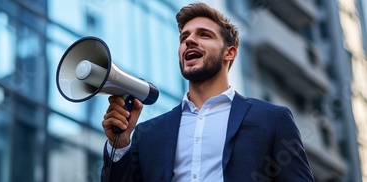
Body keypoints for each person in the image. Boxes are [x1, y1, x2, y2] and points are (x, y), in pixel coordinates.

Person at [100, 2, 314, 182]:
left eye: (204, 35)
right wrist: (119, 145)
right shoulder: (148, 134)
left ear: (229, 53)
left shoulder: (272, 119)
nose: (189, 41)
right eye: (184, 38)